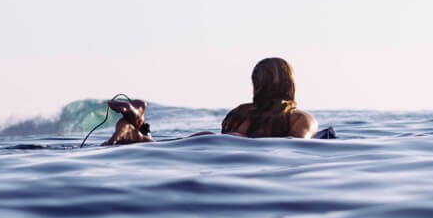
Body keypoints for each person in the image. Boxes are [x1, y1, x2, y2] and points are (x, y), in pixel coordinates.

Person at [103, 57, 323, 145]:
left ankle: (138, 127)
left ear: (256, 85)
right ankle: (139, 131)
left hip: (216, 144)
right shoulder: (300, 118)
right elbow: (297, 146)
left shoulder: (240, 113)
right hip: (244, 154)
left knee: (159, 145)